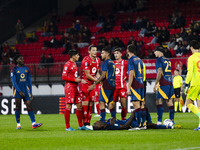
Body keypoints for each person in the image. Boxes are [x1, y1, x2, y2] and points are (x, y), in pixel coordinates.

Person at [10, 55, 42, 129]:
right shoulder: (14, 70)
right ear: (17, 60)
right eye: (20, 58)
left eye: (23, 58)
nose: (22, 59)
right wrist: (19, 91)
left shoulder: (27, 69)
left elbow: (29, 82)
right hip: (17, 91)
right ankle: (18, 124)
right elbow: (14, 82)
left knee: (29, 105)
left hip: (26, 90)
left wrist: (30, 92)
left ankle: (34, 123)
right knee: (18, 107)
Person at [62, 49, 90, 131]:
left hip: (75, 87)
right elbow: (63, 77)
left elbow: (73, 76)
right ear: (73, 56)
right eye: (77, 55)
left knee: (79, 105)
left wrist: (80, 80)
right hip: (69, 87)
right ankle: (67, 127)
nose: (78, 56)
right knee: (69, 106)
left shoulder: (74, 64)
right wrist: (75, 80)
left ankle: (80, 126)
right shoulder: (67, 64)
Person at [88, 47, 116, 122]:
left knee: (101, 102)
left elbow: (103, 75)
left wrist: (94, 84)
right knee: (110, 103)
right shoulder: (112, 62)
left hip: (106, 84)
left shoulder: (105, 62)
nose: (101, 55)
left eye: (102, 53)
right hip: (112, 84)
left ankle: (102, 120)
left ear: (107, 54)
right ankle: (113, 119)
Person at [93, 108, 174, 130]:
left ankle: (147, 124)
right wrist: (132, 115)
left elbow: (117, 120)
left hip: (129, 120)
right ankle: (167, 126)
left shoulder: (105, 122)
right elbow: (124, 126)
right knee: (148, 125)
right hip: (131, 124)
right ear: (101, 127)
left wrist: (113, 118)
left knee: (144, 109)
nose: (97, 121)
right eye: (96, 124)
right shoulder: (110, 126)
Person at [80, 45, 101, 128]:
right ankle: (84, 123)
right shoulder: (86, 60)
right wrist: (98, 81)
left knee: (91, 104)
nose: (95, 52)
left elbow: (97, 73)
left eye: (96, 50)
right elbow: (88, 75)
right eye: (93, 50)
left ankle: (88, 123)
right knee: (86, 103)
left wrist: (99, 79)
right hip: (85, 84)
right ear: (89, 51)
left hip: (93, 84)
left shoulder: (98, 60)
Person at [153, 46, 175, 125]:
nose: (154, 53)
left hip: (163, 83)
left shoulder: (158, 60)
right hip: (170, 82)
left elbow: (159, 72)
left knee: (159, 101)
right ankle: (172, 121)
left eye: (155, 51)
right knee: (169, 102)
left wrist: (156, 84)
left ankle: (159, 121)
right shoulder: (168, 60)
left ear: (159, 52)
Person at [126, 44, 144, 129]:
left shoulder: (131, 60)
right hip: (141, 83)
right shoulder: (139, 59)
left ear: (128, 51)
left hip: (135, 84)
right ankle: (143, 124)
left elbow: (131, 74)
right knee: (140, 104)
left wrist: (128, 86)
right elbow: (143, 72)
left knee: (135, 104)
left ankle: (138, 125)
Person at [184, 40, 200, 131]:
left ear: (191, 48)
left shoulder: (191, 58)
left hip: (195, 84)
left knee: (188, 103)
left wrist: (186, 84)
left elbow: (190, 72)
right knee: (199, 105)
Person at [113, 48, 128, 120]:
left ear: (121, 54)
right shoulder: (112, 63)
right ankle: (113, 119)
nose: (116, 55)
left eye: (117, 53)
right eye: (115, 53)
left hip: (122, 87)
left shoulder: (125, 63)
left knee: (123, 104)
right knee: (112, 104)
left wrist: (126, 77)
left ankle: (123, 119)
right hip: (113, 87)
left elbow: (129, 73)